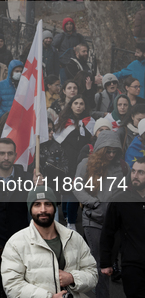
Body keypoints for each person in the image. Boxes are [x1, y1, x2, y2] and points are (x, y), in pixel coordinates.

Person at [1, 186, 98, 298]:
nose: (43, 210)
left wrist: (72, 278)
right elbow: (12, 286)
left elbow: (93, 274)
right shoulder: (15, 244)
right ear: (30, 209)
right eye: (37, 204)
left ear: (54, 207)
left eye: (48, 204)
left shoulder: (74, 238)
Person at [73, 130, 126, 298]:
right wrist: (93, 203)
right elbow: (76, 187)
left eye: (114, 151)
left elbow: (128, 189)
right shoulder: (86, 164)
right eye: (107, 150)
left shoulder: (123, 167)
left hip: (114, 221)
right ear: (100, 149)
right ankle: (103, 295)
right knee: (99, 261)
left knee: (109, 261)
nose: (111, 154)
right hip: (93, 219)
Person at [100, 157, 145, 298]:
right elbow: (108, 232)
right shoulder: (121, 200)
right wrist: (106, 262)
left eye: (141, 172)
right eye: (133, 171)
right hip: (133, 265)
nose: (135, 176)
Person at [53, 94, 94, 231]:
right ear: (71, 105)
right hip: (66, 162)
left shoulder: (90, 122)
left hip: (83, 161)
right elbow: (56, 138)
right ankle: (67, 217)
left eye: (81, 103)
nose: (78, 106)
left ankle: (71, 220)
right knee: (67, 191)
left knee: (75, 190)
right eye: (76, 103)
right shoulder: (63, 121)